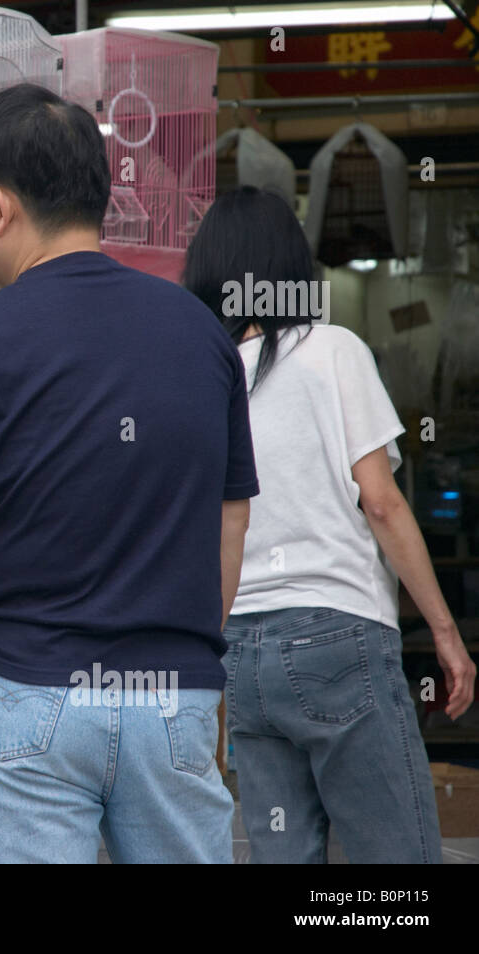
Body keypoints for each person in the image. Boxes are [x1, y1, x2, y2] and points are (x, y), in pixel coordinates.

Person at [0, 83, 258, 864]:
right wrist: (187, 644)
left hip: (27, 685)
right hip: (172, 697)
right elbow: (231, 518)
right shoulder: (200, 331)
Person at [183, 185, 476, 863]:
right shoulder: (333, 351)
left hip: (240, 654)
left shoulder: (203, 375)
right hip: (337, 639)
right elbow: (382, 501)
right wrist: (444, 632)